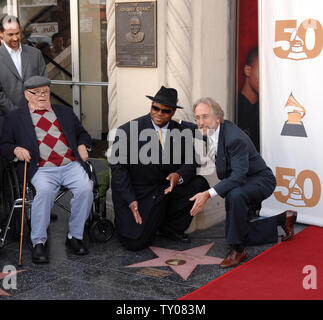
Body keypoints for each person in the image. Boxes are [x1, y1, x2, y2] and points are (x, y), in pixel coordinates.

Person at [186, 97, 297, 268]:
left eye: (205, 117)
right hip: (243, 179)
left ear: (218, 118)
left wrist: (208, 194)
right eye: (197, 117)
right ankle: (283, 219)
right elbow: (195, 127)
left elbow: (238, 176)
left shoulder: (233, 138)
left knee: (235, 197)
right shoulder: (211, 128)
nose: (200, 122)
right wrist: (175, 121)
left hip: (260, 180)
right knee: (235, 230)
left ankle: (238, 250)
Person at [0, 76, 93, 264]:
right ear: (27, 95)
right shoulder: (15, 118)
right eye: (37, 92)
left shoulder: (64, 112)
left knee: (85, 188)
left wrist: (83, 145)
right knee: (44, 192)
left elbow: (82, 134)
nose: (42, 96)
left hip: (70, 165)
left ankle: (74, 236)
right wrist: (16, 149)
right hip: (41, 168)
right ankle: (39, 242)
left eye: (45, 91)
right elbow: (4, 145)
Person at [109, 86, 209, 251]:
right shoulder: (128, 131)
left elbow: (192, 162)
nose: (159, 113)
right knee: (135, 244)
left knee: (199, 184)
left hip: (165, 190)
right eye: (155, 108)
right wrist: (130, 199)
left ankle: (170, 228)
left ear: (172, 113)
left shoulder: (180, 131)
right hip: (140, 192)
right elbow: (118, 170)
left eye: (165, 111)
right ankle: (149, 221)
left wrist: (178, 175)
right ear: (151, 106)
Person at [0, 15, 48, 133]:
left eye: (17, 33)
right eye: (10, 35)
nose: (15, 38)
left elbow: (44, 82)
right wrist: (17, 112)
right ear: (1, 33)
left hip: (36, 116)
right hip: (6, 119)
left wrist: (35, 107)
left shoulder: (35, 54)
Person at [237, 47, 259, 152]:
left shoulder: (266, 109)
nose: (265, 79)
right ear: (247, 70)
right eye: (261, 72)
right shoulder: (236, 107)